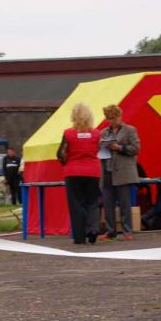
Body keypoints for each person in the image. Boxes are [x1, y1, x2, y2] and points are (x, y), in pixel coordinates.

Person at [57, 103, 101, 245]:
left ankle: (80, 237)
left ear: (73, 117)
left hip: (73, 172)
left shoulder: (68, 133)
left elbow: (61, 154)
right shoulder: (97, 134)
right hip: (93, 172)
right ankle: (93, 229)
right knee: (93, 202)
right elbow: (99, 150)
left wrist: (66, 163)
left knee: (76, 204)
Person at [98, 104, 140, 241]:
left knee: (124, 204)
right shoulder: (104, 133)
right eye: (109, 118)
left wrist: (119, 148)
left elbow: (136, 148)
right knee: (108, 204)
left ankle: (127, 231)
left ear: (120, 116)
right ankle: (111, 231)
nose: (112, 120)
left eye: (114, 117)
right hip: (107, 171)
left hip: (123, 172)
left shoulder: (130, 130)